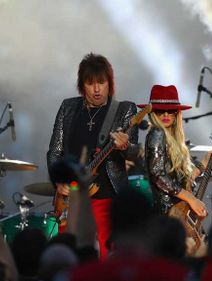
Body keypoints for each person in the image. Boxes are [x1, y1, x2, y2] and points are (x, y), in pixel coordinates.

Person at [46, 53, 139, 259]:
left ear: (110, 83)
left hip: (106, 197)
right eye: (90, 83)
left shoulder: (124, 110)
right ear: (82, 85)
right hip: (72, 198)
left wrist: (125, 147)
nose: (97, 89)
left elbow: (134, 152)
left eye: (101, 82)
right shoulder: (68, 108)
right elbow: (54, 151)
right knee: (70, 257)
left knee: (107, 258)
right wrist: (58, 181)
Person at [138, 84, 212, 217]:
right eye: (160, 111)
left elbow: (182, 182)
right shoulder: (157, 133)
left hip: (177, 213)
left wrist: (204, 164)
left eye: (171, 110)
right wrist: (190, 198)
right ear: (152, 113)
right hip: (168, 215)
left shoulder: (172, 139)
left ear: (177, 113)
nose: (166, 114)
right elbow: (157, 174)